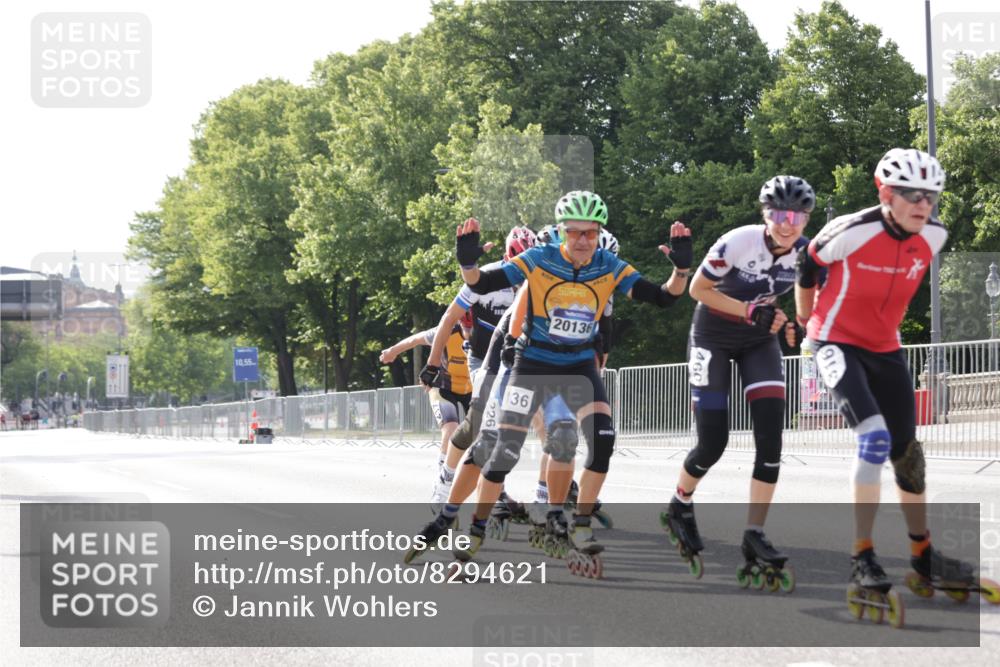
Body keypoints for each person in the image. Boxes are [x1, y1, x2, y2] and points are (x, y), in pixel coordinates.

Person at [451, 190, 693, 574]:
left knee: (602, 441)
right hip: (534, 363)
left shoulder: (608, 264)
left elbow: (663, 297)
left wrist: (681, 270)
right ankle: (477, 527)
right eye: (575, 232)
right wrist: (468, 262)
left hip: (578, 365)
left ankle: (579, 524)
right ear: (562, 231)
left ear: (599, 233)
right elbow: (482, 283)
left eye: (590, 233)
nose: (583, 241)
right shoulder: (540, 258)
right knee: (505, 451)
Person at [795, 148, 973, 616]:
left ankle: (923, 554)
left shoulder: (934, 235)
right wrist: (806, 320)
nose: (923, 204)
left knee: (908, 455)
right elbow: (807, 266)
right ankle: (863, 555)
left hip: (885, 348)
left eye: (931, 196)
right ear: (886, 193)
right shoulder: (852, 229)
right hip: (834, 342)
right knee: (872, 437)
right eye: (912, 194)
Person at [663, 175, 813, 585]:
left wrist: (797, 325)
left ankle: (755, 533)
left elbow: (809, 302)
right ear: (765, 215)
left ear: (806, 219)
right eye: (778, 215)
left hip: (758, 340)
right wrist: (750, 311)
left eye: (796, 217)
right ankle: (679, 503)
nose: (787, 224)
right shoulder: (739, 242)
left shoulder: (807, 254)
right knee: (713, 442)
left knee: (771, 438)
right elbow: (698, 289)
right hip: (712, 335)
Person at [420, 226, 536, 507]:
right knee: (479, 422)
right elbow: (449, 319)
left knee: (508, 427)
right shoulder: (489, 277)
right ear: (507, 258)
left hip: (516, 359)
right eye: (519, 266)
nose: (523, 276)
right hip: (482, 357)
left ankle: (498, 488)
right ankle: (445, 479)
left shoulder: (540, 280)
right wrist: (433, 365)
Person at [379, 318, 472, 492]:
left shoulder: (487, 333)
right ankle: (443, 479)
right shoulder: (446, 331)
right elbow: (416, 339)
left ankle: (498, 492)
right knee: (451, 430)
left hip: (471, 388)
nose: (469, 332)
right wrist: (392, 351)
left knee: (485, 436)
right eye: (467, 327)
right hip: (443, 387)